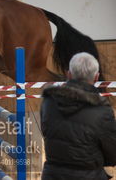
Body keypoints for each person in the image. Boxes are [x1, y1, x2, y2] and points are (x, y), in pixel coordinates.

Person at [41, 52, 116, 180]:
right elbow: (112, 155)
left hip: (52, 175)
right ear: (96, 77)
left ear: (69, 74)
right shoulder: (102, 111)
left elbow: (47, 133)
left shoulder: (49, 102)